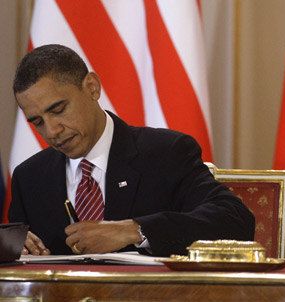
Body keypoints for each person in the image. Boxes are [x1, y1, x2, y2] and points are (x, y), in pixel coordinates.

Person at [9, 44, 255, 256]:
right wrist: (13, 247)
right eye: (38, 122)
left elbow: (235, 221)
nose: (51, 131)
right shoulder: (30, 177)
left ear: (92, 87)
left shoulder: (166, 153)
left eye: (59, 109)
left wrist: (134, 230)